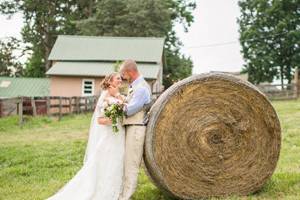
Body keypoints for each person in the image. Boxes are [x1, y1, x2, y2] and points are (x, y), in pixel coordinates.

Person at [46, 72, 126, 200]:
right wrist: (114, 119)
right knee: (106, 162)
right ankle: (104, 192)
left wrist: (119, 99)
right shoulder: (105, 97)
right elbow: (100, 120)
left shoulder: (117, 94)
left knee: (116, 161)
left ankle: (116, 191)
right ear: (110, 81)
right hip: (109, 136)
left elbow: (123, 104)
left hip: (118, 135)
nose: (120, 80)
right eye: (117, 79)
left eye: (120, 79)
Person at [118, 59, 151, 200]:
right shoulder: (135, 86)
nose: (122, 77)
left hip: (136, 129)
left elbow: (130, 110)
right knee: (126, 162)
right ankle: (122, 193)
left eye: (123, 74)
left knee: (131, 164)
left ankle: (126, 196)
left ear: (130, 72)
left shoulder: (142, 88)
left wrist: (115, 105)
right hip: (131, 128)